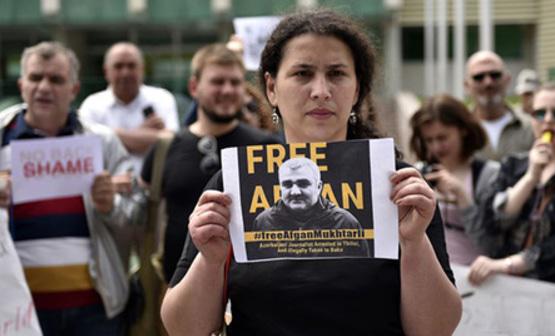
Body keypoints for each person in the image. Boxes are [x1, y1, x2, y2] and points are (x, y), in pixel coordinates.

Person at [160, 9, 461, 336]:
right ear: (272, 88)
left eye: (336, 74)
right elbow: (183, 328)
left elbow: (436, 329)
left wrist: (414, 244)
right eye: (303, 73)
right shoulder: (234, 186)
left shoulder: (400, 189)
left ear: (357, 88)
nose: (321, 90)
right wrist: (211, 260)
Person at [0, 41, 143, 335]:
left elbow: (138, 214)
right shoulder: (1, 138)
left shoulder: (103, 143)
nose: (44, 87)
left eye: (56, 79)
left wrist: (109, 206)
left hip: (95, 310)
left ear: (74, 89)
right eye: (35, 77)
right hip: (16, 308)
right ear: (21, 84)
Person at [141, 43, 281, 284]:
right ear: (194, 87)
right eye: (217, 82)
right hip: (175, 293)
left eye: (235, 82)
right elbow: (145, 215)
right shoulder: (165, 148)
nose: (227, 90)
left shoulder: (267, 148)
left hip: (246, 292)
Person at [467, 84, 555, 291]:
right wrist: (531, 177)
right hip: (509, 289)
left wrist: (508, 265)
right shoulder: (513, 166)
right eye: (539, 113)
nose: (548, 120)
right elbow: (489, 222)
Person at [410, 94, 500, 265]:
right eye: (429, 140)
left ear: (463, 130)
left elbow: (490, 243)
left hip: (475, 276)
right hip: (431, 273)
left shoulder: (488, 174)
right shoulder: (420, 171)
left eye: (443, 138)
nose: (436, 147)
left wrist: (462, 196)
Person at [80, 42, 179, 173]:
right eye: (118, 66)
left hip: (155, 189)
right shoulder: (92, 105)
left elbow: (170, 144)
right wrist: (144, 134)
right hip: (108, 190)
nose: (125, 73)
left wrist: (110, 135)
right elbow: (86, 150)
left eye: (131, 66)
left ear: (142, 69)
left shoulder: (161, 98)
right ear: (106, 71)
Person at [251, 157, 369, 258]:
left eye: (303, 184)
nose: (295, 192)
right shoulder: (263, 222)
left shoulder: (345, 223)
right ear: (280, 188)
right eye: (287, 185)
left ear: (319, 187)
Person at [464, 50, 534, 161]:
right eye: (479, 77)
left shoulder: (531, 128)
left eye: (495, 75)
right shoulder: (459, 130)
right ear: (466, 85)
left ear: (507, 80)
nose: (488, 83)